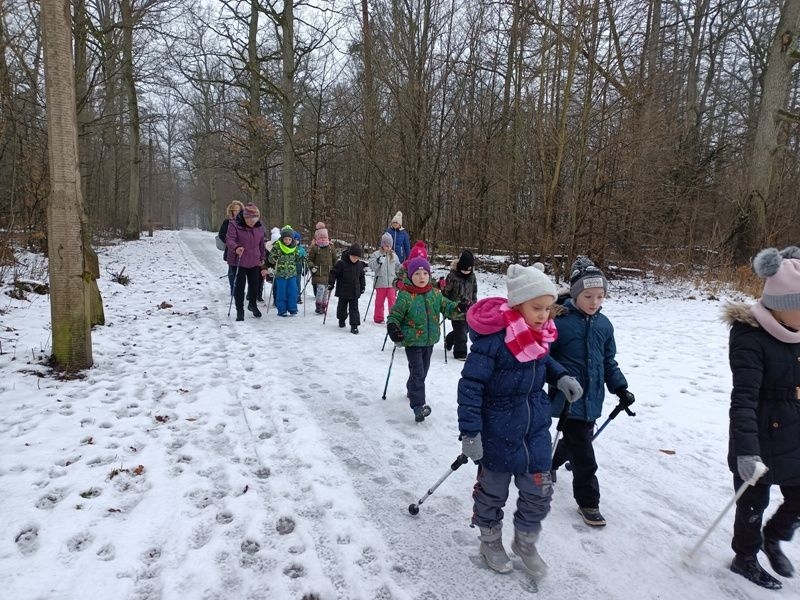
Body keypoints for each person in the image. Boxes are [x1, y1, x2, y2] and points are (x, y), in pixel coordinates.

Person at [457, 264, 583, 575]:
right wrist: (470, 433)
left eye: (547, 309)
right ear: (517, 305)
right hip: (499, 431)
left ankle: (525, 541)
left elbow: (542, 360)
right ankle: (490, 539)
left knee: (540, 491)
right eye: (536, 308)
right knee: (492, 493)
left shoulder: (538, 337)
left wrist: (560, 376)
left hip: (535, 430)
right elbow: (470, 387)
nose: (543, 315)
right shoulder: (493, 343)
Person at [723, 246, 800, 590]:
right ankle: (746, 557)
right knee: (752, 503)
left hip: (793, 433)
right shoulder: (750, 336)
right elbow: (743, 399)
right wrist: (746, 451)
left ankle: (775, 536)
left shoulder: (795, 332)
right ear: (783, 306)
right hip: (757, 437)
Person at [548, 257, 633, 528]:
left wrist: (620, 387)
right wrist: (557, 380)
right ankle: (588, 502)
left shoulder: (604, 325)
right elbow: (544, 359)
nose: (594, 302)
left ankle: (551, 463)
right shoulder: (559, 322)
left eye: (600, 296)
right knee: (585, 455)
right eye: (588, 296)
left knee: (577, 442)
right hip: (568, 400)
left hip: (593, 398)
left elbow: (608, 362)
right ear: (575, 294)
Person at [387, 256, 465, 421]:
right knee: (419, 372)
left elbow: (447, 307)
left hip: (429, 341)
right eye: (417, 274)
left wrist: (458, 306)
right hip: (412, 341)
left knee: (422, 370)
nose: (421, 277)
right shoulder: (406, 296)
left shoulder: (435, 294)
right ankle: (418, 406)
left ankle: (411, 388)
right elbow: (395, 315)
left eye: (424, 273)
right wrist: (393, 328)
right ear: (409, 276)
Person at [225, 203, 267, 321]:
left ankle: (252, 305)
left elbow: (261, 244)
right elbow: (229, 239)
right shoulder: (234, 224)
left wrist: (262, 259)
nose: (252, 222)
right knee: (239, 286)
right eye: (250, 220)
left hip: (254, 259)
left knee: (254, 285)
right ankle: (240, 310)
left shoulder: (259, 227)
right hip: (238, 259)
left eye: (255, 219)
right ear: (245, 217)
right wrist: (236, 247)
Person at [443, 249, 478, 360]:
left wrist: (474, 306)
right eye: (464, 271)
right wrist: (446, 305)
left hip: (468, 308)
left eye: (468, 271)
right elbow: (446, 292)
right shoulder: (452, 276)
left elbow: (474, 292)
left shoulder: (472, 277)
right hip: (456, 309)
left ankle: (449, 338)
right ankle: (460, 353)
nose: (466, 273)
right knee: (461, 332)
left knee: (465, 329)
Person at [328, 243, 366, 333]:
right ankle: (341, 319)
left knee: (354, 309)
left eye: (357, 257)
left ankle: (354, 325)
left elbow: (362, 276)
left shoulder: (359, 265)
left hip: (354, 291)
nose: (355, 259)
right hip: (343, 290)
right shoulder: (341, 263)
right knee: (342, 307)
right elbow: (333, 273)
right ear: (349, 254)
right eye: (353, 257)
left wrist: (362, 286)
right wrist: (331, 283)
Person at [268, 225, 301, 316]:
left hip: (292, 274)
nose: (287, 241)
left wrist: (302, 257)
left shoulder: (294, 248)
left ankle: (292, 308)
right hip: (280, 274)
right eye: (285, 239)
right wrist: (275, 258)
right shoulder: (277, 246)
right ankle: (282, 310)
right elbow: (270, 259)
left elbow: (298, 259)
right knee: (281, 292)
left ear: (292, 240)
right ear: (282, 238)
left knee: (293, 291)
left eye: (289, 239)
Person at [368, 233, 400, 324]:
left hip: (391, 283)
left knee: (392, 301)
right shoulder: (376, 254)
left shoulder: (394, 255)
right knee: (379, 301)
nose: (388, 248)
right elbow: (371, 266)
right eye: (386, 246)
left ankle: (393, 318)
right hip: (380, 282)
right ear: (382, 245)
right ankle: (378, 317)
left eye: (390, 246)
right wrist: (378, 261)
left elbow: (398, 267)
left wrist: (403, 268)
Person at [307, 224, 337, 314]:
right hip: (318, 273)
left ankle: (324, 306)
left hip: (329, 273)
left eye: (325, 238)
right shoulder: (315, 248)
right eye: (321, 238)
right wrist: (312, 266)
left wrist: (336, 270)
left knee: (326, 292)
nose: (323, 239)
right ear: (317, 239)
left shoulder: (331, 247)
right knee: (320, 290)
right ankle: (318, 306)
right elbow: (309, 260)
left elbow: (335, 259)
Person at [218, 200, 244, 295]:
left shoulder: (245, 222)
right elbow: (222, 234)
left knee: (242, 271)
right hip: (231, 250)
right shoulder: (227, 222)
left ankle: (240, 289)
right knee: (231, 270)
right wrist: (230, 241)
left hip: (243, 249)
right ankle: (233, 289)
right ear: (231, 211)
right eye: (234, 210)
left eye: (238, 210)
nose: (236, 212)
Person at [292, 231, 308, 304]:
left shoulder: (301, 249)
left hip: (298, 270)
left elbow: (305, 259)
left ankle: (298, 297)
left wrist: (305, 267)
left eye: (297, 240)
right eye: (294, 240)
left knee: (297, 284)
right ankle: (291, 297)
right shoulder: (289, 249)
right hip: (290, 271)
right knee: (291, 285)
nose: (296, 241)